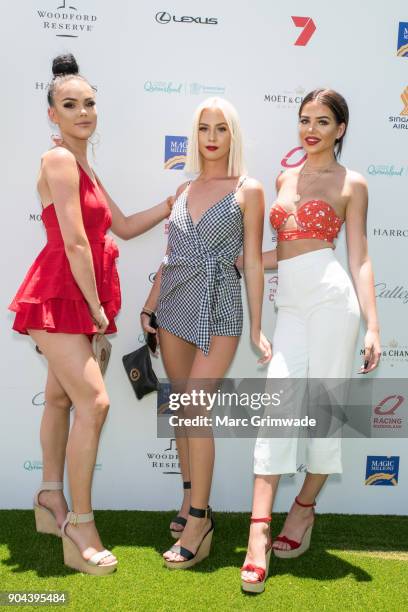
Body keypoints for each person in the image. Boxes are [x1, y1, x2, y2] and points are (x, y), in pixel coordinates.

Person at [8, 54, 173, 575]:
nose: (83, 112)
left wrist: (174, 202)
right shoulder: (57, 161)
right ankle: (78, 522)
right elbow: (78, 244)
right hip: (60, 291)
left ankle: (49, 497)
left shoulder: (85, 167)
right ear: (52, 114)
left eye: (90, 103)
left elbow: (120, 227)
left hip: (81, 294)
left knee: (60, 398)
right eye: (70, 105)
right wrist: (100, 311)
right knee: (95, 403)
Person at [240, 88, 381, 593]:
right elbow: (283, 250)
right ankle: (258, 536)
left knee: (324, 413)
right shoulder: (283, 178)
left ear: (339, 129)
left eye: (323, 121)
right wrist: (247, 262)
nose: (311, 129)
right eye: (304, 120)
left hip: (331, 303)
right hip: (290, 309)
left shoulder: (352, 183)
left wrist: (373, 325)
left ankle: (302, 510)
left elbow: (358, 257)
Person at [141, 97, 272, 569]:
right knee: (182, 408)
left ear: (233, 135)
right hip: (174, 302)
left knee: (196, 406)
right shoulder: (182, 188)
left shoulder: (248, 190)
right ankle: (188, 497)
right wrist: (150, 304)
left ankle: (200, 521)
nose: (212, 137)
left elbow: (253, 262)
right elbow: (170, 255)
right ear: (194, 136)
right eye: (203, 128)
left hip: (219, 305)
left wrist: (257, 327)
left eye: (221, 128)